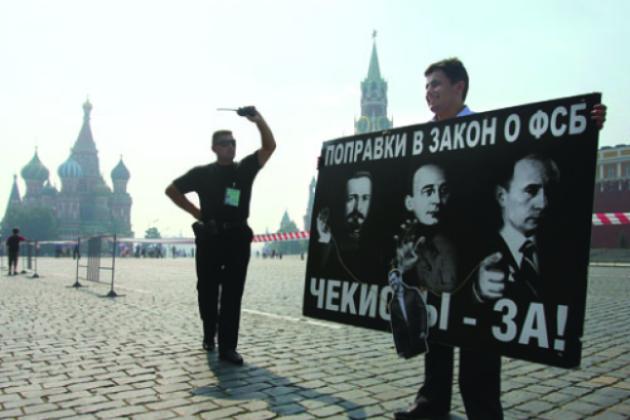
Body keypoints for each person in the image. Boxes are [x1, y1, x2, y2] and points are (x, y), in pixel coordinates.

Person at [394, 58, 607, 420]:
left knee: (480, 341)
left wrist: (587, 123)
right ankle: (431, 405)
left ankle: (484, 412)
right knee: (437, 336)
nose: (428, 92)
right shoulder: (420, 139)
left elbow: (548, 138)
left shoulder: (490, 134)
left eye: (436, 84)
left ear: (459, 87)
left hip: (481, 256)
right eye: (426, 85)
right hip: (440, 257)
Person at [165, 106, 275, 365]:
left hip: (237, 237)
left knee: (232, 293)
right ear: (214, 148)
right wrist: (197, 213)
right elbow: (172, 190)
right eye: (225, 144)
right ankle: (208, 332)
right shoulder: (202, 174)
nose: (231, 147)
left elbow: (270, 147)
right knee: (207, 289)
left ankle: (228, 347)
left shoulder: (244, 169)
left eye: (233, 143)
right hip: (210, 238)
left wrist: (258, 120)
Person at [389, 163, 458, 359]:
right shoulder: (404, 243)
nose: (437, 200)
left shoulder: (452, 243)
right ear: (410, 202)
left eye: (442, 191)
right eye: (428, 192)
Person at [475, 154, 560, 302]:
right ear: (502, 196)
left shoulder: (560, 250)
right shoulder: (478, 247)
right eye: (531, 191)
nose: (543, 204)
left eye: (548, 191)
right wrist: (477, 292)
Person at [314, 171, 374, 281]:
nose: (358, 207)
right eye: (351, 198)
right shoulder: (332, 241)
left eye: (365, 198)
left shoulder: (376, 244)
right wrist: (325, 238)